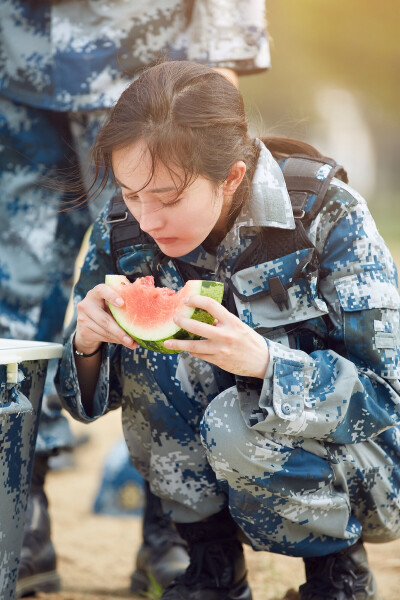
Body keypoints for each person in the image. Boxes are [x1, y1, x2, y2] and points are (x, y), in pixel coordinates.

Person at [56, 60, 400, 600]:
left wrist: (266, 363)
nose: (146, 219)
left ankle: (339, 575)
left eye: (168, 198)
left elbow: (389, 396)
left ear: (233, 176)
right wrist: (87, 345)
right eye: (129, 193)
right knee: (160, 357)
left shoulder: (329, 215)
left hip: (370, 472)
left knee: (233, 422)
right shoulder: (124, 229)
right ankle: (212, 569)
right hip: (209, 479)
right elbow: (84, 407)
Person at [0, 1, 270, 596]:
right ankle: (18, 514)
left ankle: (173, 526)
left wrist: (222, 52)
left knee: (173, 288)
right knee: (9, 299)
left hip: (148, 65)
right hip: (15, 64)